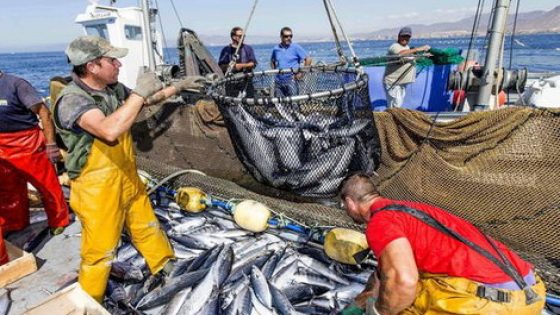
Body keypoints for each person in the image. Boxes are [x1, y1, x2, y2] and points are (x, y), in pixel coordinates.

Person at [53, 35, 206, 302]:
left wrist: (179, 87)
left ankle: (164, 265)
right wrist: (137, 93)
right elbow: (109, 130)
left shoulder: (111, 89)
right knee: (99, 251)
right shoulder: (72, 100)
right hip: (95, 188)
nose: (118, 65)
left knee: (146, 224)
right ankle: (91, 301)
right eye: (112, 60)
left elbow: (145, 101)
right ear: (92, 66)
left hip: (125, 175)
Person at [339, 173, 546, 314]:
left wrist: (379, 312)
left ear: (350, 203)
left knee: (399, 303)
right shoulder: (411, 209)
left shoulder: (379, 223)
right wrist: (361, 301)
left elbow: (403, 282)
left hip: (495, 304)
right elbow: (382, 276)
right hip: (531, 292)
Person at [0, 70, 69, 234]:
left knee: (47, 185)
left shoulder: (16, 84)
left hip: (28, 142)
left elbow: (44, 113)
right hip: (2, 145)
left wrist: (51, 144)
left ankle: (59, 221)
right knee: (9, 188)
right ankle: (16, 223)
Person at [383, 27, 430, 108]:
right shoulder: (395, 46)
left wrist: (422, 56)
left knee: (397, 106)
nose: (405, 38)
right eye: (403, 36)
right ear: (399, 36)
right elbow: (401, 54)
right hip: (393, 83)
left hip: (401, 83)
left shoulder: (407, 48)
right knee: (395, 107)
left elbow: (408, 58)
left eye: (407, 37)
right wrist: (419, 49)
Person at [270, 27, 312, 97]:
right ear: (281, 37)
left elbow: (308, 59)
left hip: (291, 80)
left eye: (291, 36)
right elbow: (272, 61)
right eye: (286, 36)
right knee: (280, 104)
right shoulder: (276, 49)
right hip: (278, 82)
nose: (289, 38)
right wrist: (275, 72)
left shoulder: (295, 47)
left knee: (294, 104)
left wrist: (301, 74)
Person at [218, 26, 257, 97]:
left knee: (248, 103)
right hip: (231, 83)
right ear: (234, 37)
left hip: (246, 82)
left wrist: (241, 66)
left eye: (243, 36)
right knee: (232, 104)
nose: (243, 38)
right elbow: (221, 66)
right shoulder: (226, 50)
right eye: (240, 36)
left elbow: (253, 63)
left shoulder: (248, 49)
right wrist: (230, 66)